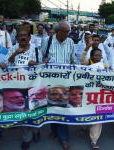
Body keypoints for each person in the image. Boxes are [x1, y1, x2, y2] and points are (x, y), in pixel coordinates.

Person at [41, 20, 76, 150]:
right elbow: (41, 60)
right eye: (65, 32)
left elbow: (73, 61)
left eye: (68, 32)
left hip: (65, 82)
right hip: (51, 82)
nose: (67, 34)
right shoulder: (47, 41)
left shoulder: (71, 42)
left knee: (63, 109)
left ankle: (64, 138)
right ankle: (54, 129)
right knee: (52, 107)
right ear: (57, 31)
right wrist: (43, 61)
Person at [81, 48, 106, 149]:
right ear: (91, 56)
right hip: (87, 95)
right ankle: (83, 127)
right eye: (96, 55)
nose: (98, 57)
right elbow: (81, 62)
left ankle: (94, 140)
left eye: (100, 55)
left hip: (99, 96)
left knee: (97, 117)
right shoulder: (87, 64)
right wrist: (86, 49)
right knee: (86, 113)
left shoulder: (104, 66)